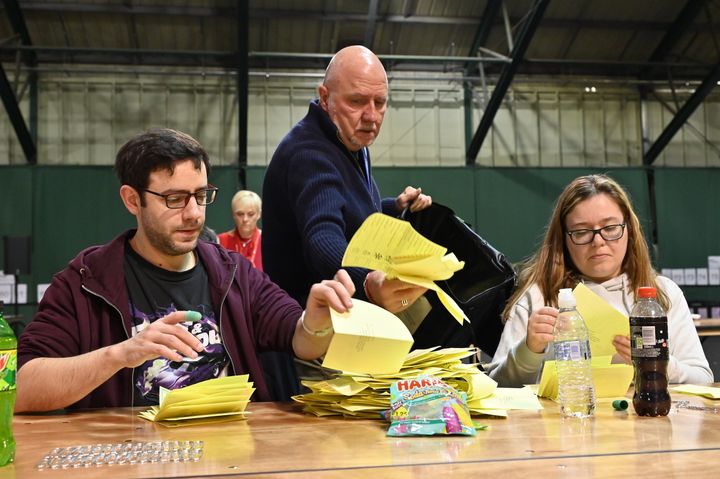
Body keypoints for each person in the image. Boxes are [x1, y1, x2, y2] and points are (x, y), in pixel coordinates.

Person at [15, 128, 355, 412]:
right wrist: (120, 354)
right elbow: (21, 387)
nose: (194, 213)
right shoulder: (87, 282)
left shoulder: (234, 274)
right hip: (130, 458)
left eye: (202, 195)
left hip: (232, 459)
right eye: (175, 199)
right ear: (132, 200)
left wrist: (315, 325)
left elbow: (297, 338)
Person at [486, 174, 712, 386]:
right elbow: (496, 385)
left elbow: (703, 378)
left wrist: (658, 363)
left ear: (629, 230)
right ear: (564, 239)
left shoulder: (662, 293)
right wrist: (529, 351)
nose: (598, 241)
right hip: (565, 425)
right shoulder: (538, 297)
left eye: (611, 227)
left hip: (648, 423)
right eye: (582, 231)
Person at [262, 45, 432, 314]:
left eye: (380, 102)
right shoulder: (309, 153)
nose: (371, 116)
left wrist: (394, 207)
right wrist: (367, 282)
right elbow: (322, 239)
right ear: (325, 98)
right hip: (305, 333)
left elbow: (346, 210)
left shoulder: (348, 141)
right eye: (357, 101)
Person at [218, 190, 263, 271]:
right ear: (233, 214)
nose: (245, 219)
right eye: (240, 214)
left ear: (259, 214)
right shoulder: (221, 241)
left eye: (251, 214)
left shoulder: (267, 241)